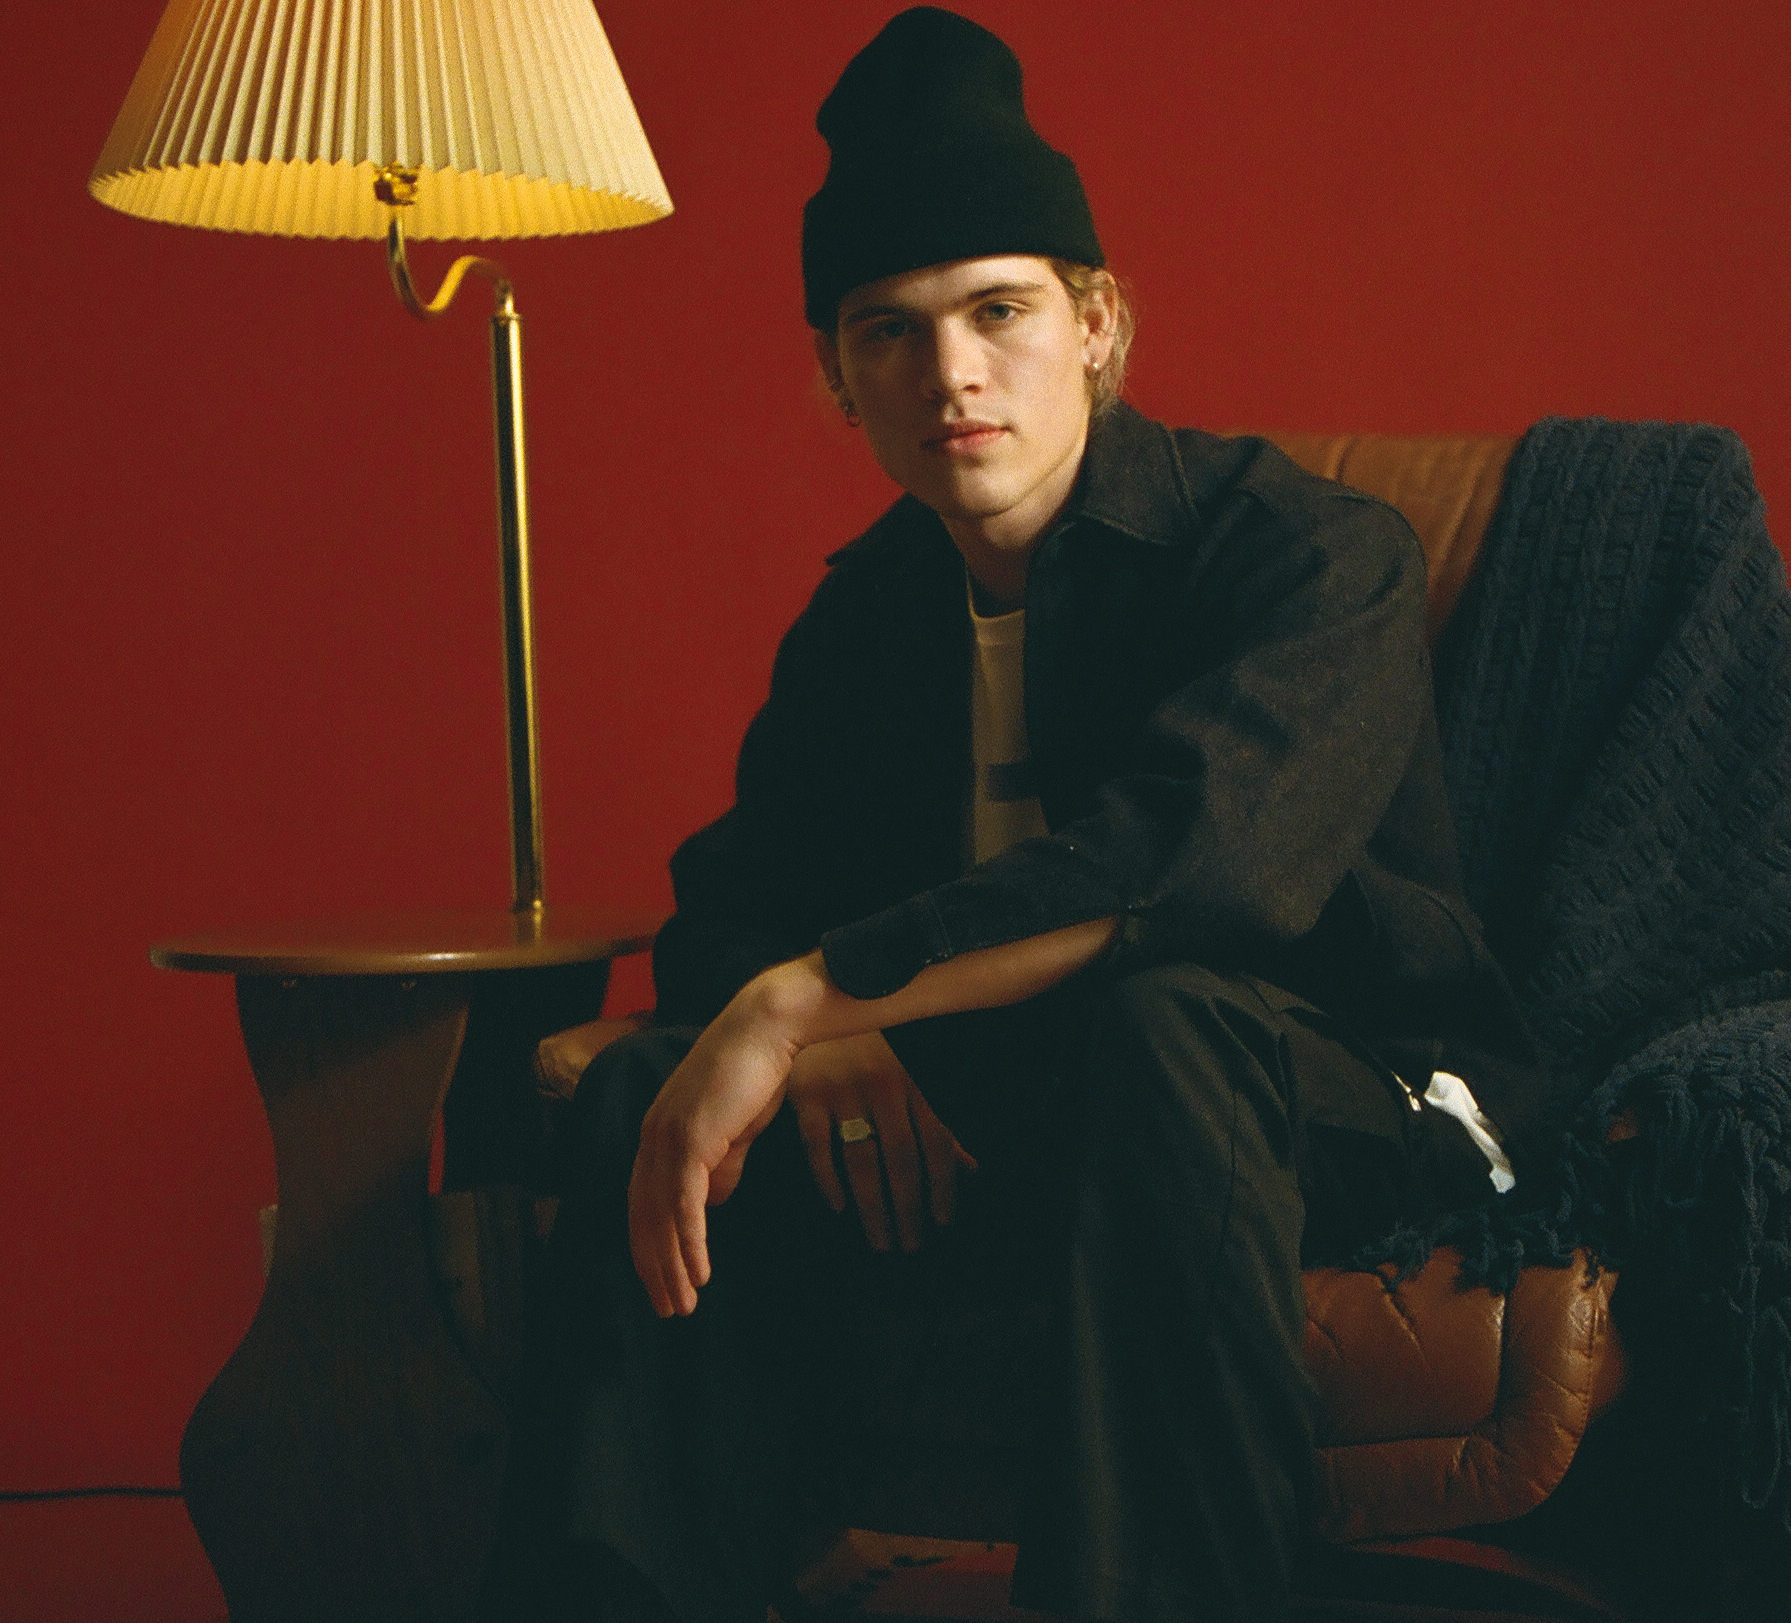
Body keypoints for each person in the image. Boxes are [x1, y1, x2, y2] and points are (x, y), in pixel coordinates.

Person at [539, 10, 1554, 1622]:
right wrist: (829, 1037)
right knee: (638, 1095)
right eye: (887, 331)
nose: (948, 374)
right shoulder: (864, 616)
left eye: (997, 311)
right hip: (1015, 1113)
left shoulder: (1309, 553)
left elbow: (1203, 869)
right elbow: (727, 905)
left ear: (1097, 324)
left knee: (1168, 1015)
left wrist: (816, 994)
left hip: (1345, 1094)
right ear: (836, 378)